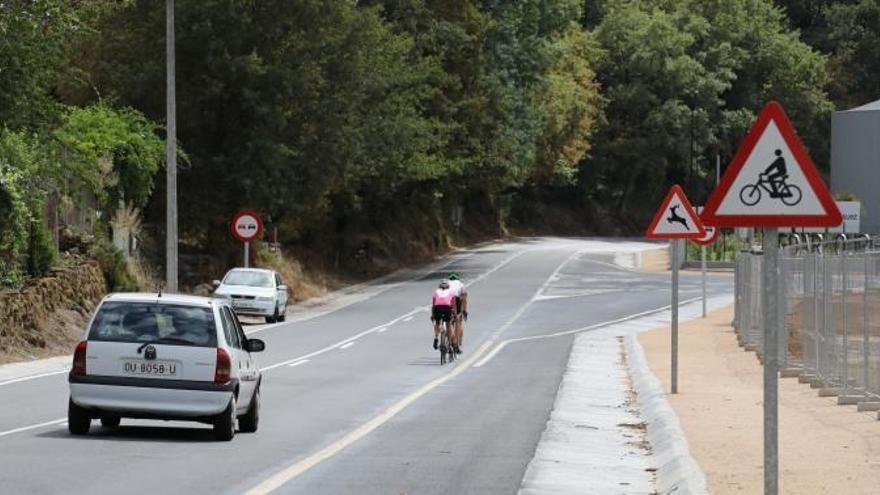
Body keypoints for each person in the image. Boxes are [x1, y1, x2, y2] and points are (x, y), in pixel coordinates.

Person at [431, 279, 457, 350]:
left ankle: (436, 338)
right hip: (447, 308)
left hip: (437, 308)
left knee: (437, 323)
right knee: (448, 325)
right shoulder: (451, 292)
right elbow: (453, 305)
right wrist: (454, 313)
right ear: (448, 286)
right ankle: (449, 342)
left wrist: (432, 315)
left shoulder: (436, 292)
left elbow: (433, 305)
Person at [447, 272, 468, 354]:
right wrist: (465, 310)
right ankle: (456, 345)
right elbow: (464, 296)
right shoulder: (460, 284)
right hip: (455, 300)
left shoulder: (446, 283)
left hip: (445, 301)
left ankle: (448, 341)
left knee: (447, 322)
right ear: (457, 278)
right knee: (458, 322)